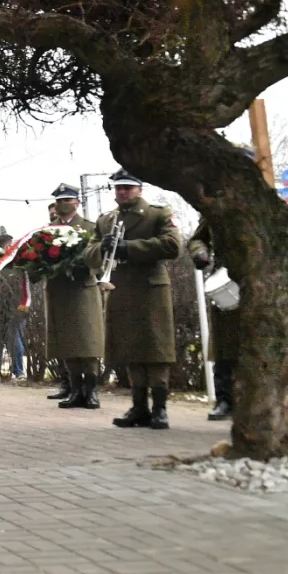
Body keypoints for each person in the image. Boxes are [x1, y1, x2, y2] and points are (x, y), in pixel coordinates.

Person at [83, 169, 181, 430]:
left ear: (139, 189)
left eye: (128, 187)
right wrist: (101, 248)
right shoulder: (107, 220)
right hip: (120, 287)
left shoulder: (157, 214)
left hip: (151, 289)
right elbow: (88, 254)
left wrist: (130, 247)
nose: (122, 192)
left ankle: (160, 408)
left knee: (156, 350)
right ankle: (139, 407)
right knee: (130, 350)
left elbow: (173, 245)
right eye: (118, 188)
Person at [46, 184, 104, 409]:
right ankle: (75, 390)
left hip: (83, 290)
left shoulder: (89, 228)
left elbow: (100, 258)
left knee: (87, 344)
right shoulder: (48, 230)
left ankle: (91, 390)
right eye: (60, 201)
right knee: (68, 344)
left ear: (77, 203)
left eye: (68, 200)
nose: (63, 204)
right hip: (60, 290)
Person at [188, 217, 239, 421]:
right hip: (226, 278)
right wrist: (200, 252)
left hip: (264, 279)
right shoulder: (217, 209)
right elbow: (197, 239)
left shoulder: (265, 204)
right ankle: (224, 400)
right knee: (224, 345)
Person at [0, 227, 27, 382]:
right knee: (14, 339)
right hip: (14, 306)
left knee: (2, 340)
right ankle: (17, 371)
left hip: (3, 306)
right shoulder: (16, 262)